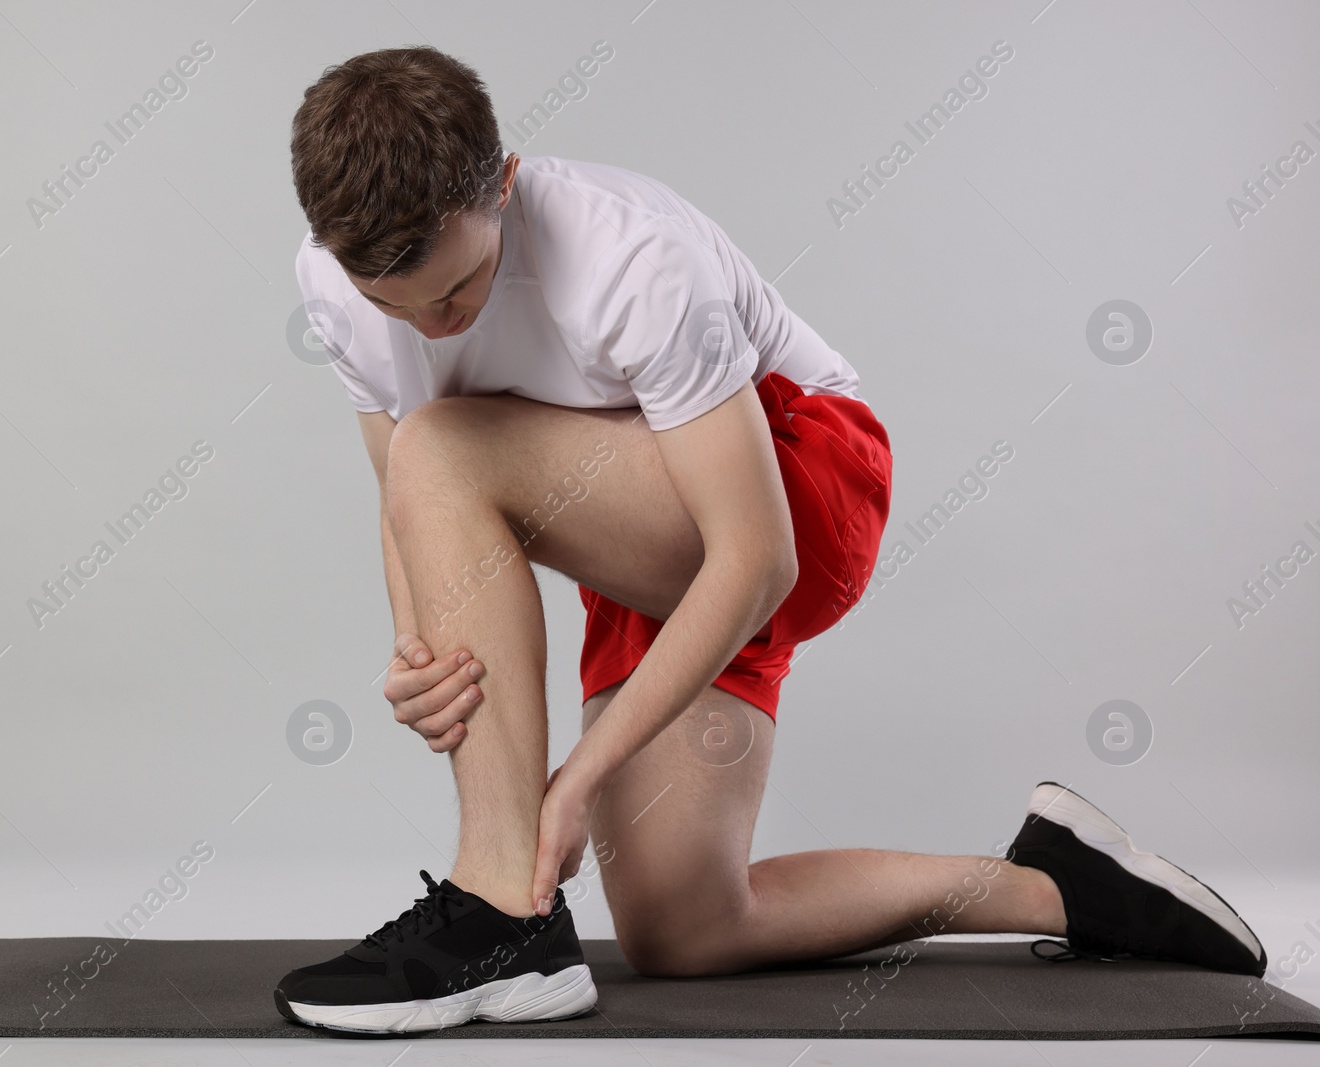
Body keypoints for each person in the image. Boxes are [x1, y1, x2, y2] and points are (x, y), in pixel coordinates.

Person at [272, 46, 1267, 1035]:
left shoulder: (628, 256)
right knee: (681, 927)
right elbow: (402, 494)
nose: (434, 328)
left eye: (459, 290)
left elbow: (758, 557)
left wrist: (574, 781)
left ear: (505, 183)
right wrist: (416, 650)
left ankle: (499, 909)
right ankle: (1063, 883)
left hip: (793, 484)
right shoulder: (331, 281)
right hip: (632, 513)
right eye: (392, 303)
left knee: (444, 443)